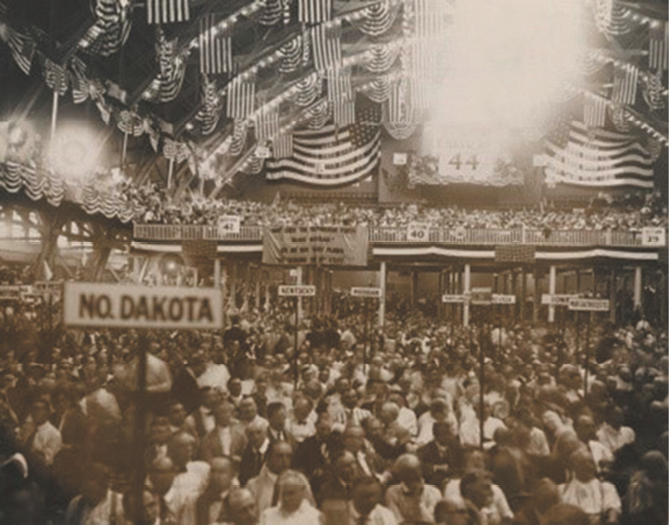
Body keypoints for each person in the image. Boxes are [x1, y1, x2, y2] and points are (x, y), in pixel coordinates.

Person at [558, 449, 621, 524]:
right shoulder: (562, 490)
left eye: (590, 462)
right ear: (573, 467)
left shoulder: (606, 488)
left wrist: (611, 520)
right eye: (582, 463)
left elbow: (612, 508)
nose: (587, 466)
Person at [164, 432, 210, 524]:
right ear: (170, 449)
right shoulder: (161, 472)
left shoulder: (202, 469)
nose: (188, 449)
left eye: (190, 446)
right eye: (182, 446)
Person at [384, 453, 442, 523]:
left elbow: (434, 521)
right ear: (401, 476)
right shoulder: (392, 493)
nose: (413, 481)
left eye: (416, 477)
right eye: (408, 476)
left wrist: (419, 503)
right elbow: (395, 521)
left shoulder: (434, 492)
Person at [246, 440, 294, 516]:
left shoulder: (300, 482)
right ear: (268, 457)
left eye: (288, 456)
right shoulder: (254, 485)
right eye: (279, 456)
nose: (285, 460)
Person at [195, 457, 239, 525]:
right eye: (213, 471)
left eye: (221, 472)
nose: (216, 476)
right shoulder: (202, 501)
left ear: (232, 475)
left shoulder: (238, 499)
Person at [417, 421, 461, 488]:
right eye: (447, 434)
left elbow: (461, 468)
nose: (451, 436)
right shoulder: (424, 450)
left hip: (453, 483)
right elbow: (420, 468)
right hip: (432, 485)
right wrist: (436, 467)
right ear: (439, 436)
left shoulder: (456, 448)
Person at [21, 399, 62, 467]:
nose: (36, 413)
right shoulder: (26, 429)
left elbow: (47, 460)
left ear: (47, 412)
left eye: (40, 410)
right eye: (34, 409)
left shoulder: (54, 434)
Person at [239, 418, 270, 486]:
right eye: (251, 434)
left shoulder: (273, 450)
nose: (255, 436)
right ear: (247, 437)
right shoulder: (246, 453)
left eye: (259, 432)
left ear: (266, 432)